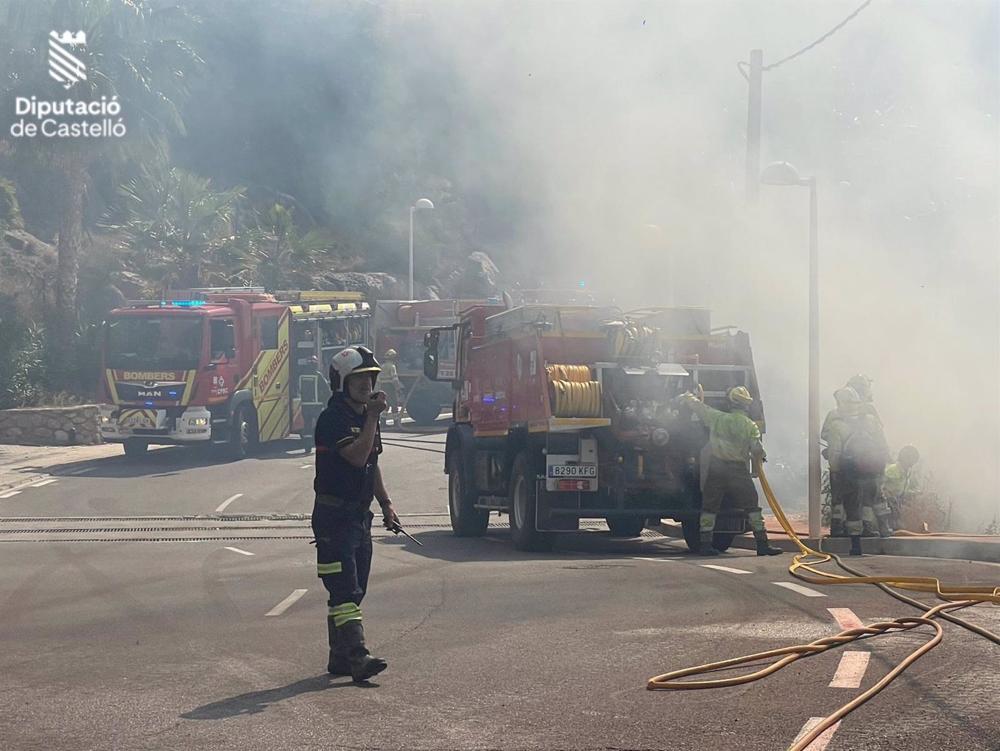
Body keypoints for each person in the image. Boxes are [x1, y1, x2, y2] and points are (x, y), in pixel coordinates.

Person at [312, 345, 400, 682]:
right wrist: (374, 417)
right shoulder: (333, 419)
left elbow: (371, 464)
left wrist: (386, 504)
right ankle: (358, 656)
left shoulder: (365, 417)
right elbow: (357, 457)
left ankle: (339, 657)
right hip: (333, 518)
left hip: (359, 517)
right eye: (359, 378)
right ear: (342, 383)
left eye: (370, 378)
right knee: (345, 590)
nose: (367, 385)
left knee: (354, 591)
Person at [681, 385, 783, 557]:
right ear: (746, 405)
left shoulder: (717, 418)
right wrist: (761, 458)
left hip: (716, 468)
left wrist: (687, 396)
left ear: (729, 403)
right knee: (752, 506)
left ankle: (705, 544)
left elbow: (700, 407)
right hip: (738, 471)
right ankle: (762, 544)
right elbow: (756, 449)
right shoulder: (750, 425)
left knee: (709, 507)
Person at [839, 408, 890, 554]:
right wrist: (879, 475)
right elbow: (882, 456)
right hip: (872, 478)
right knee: (878, 503)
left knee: (853, 511)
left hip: (853, 479)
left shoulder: (850, 439)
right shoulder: (874, 437)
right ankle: (884, 529)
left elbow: (843, 460)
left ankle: (856, 546)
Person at [821, 387, 862, 537]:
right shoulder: (864, 420)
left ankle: (837, 529)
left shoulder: (835, 423)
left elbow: (835, 451)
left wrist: (834, 469)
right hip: (860, 469)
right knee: (855, 503)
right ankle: (856, 538)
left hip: (841, 468)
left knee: (838, 500)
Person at [880, 445, 921, 532]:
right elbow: (879, 485)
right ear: (904, 457)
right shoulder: (892, 469)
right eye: (912, 458)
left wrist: (914, 493)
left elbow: (902, 490)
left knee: (896, 525)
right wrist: (886, 494)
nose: (912, 463)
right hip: (886, 502)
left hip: (896, 502)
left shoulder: (907, 472)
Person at [376, 349, 403, 428]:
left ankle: (383, 422)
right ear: (393, 358)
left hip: (383, 387)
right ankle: (396, 422)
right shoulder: (392, 366)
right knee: (394, 405)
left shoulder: (382, 366)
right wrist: (398, 388)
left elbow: (378, 379)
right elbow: (395, 379)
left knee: (386, 405)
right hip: (390, 387)